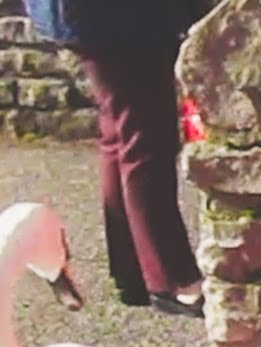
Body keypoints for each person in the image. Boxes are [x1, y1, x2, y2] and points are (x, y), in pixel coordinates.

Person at [22, 0, 208, 317]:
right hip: (121, 19)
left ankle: (135, 268)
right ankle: (172, 279)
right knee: (145, 141)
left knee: (121, 136)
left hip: (94, 18)